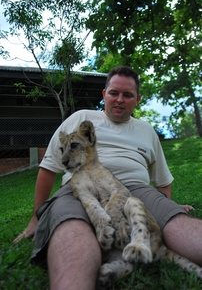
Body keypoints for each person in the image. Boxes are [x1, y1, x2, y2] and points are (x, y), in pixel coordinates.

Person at [14, 66, 202, 290]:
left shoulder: (146, 130)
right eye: (114, 93)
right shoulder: (81, 118)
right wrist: (35, 219)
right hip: (78, 188)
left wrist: (167, 209)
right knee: (71, 228)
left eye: (128, 95)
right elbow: (48, 168)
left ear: (137, 99)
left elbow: (163, 181)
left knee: (177, 224)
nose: (120, 99)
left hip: (136, 189)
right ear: (104, 94)